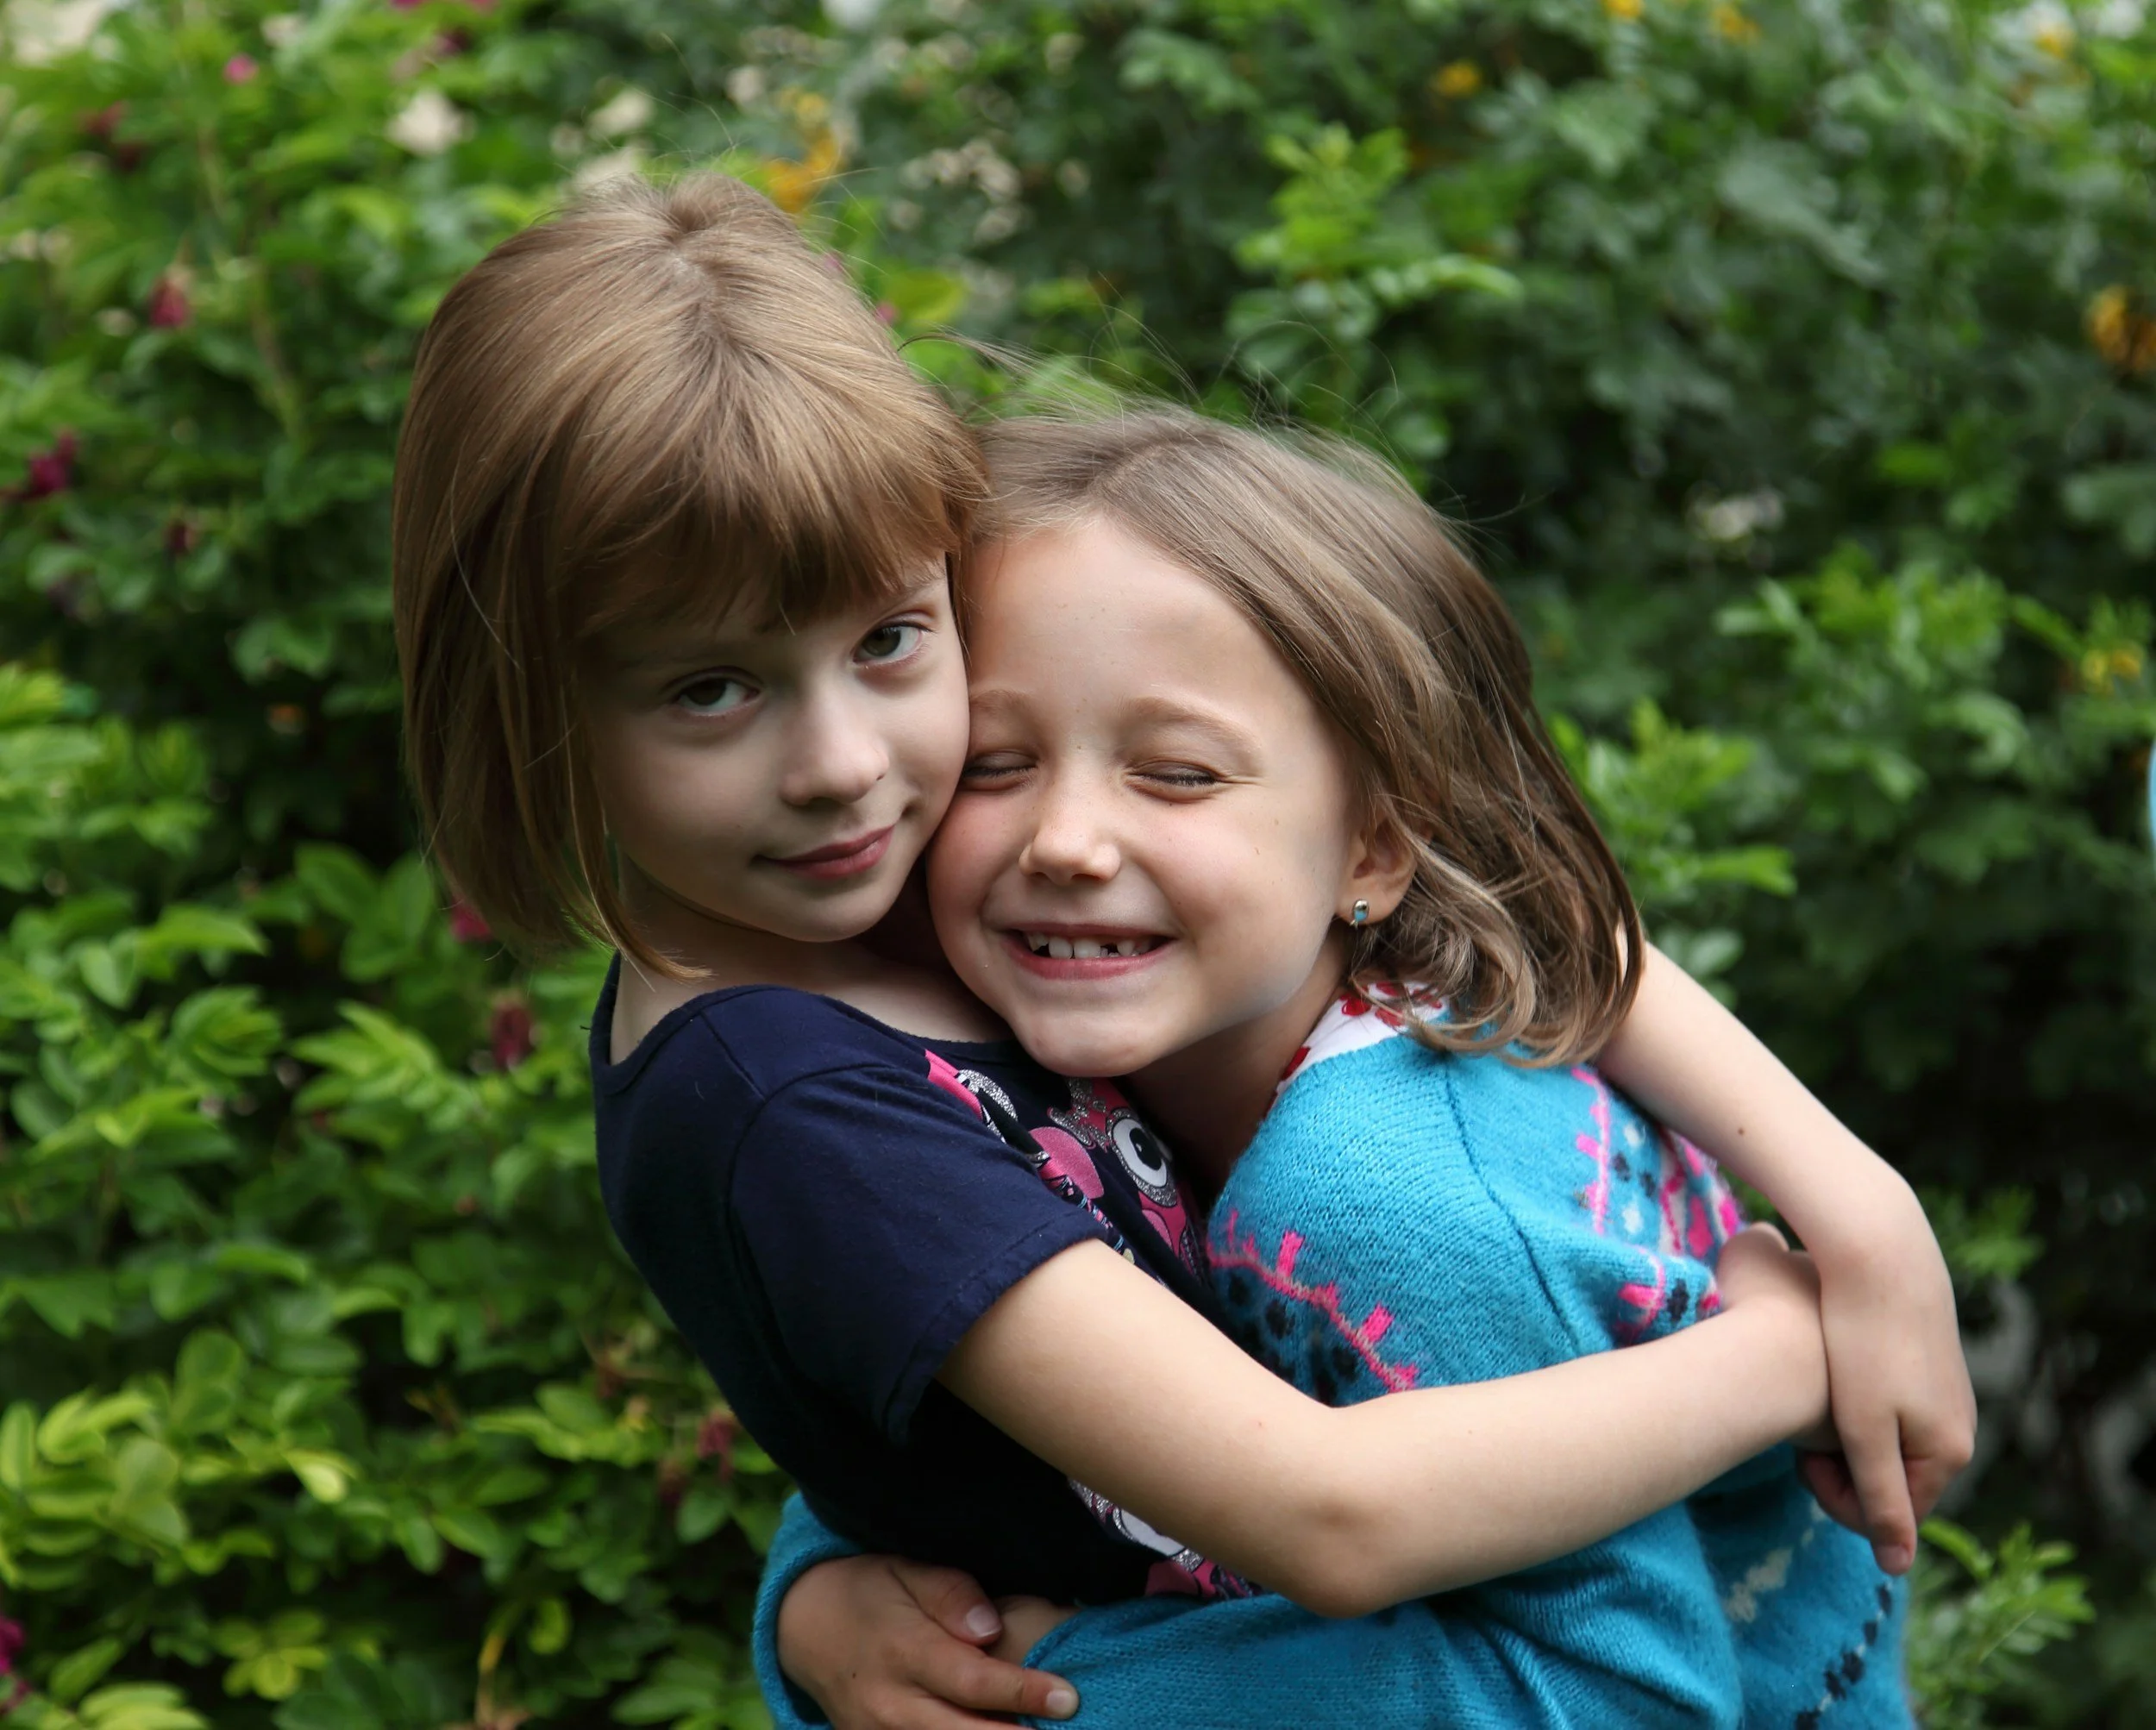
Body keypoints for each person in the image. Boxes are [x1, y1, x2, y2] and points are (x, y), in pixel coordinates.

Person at [386, 174, 1963, 1727]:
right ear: (527, 709)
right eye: (708, 690)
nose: (845, 765)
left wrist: (1847, 1228)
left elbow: (1548, 1641)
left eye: (889, 639)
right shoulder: (836, 1012)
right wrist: (819, 1591)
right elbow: (956, 1375)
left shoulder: (1346, 1153)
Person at [763, 410, 1962, 1728]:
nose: (1067, 840)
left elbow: (1629, 1691)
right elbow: (1041, 1418)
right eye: (995, 763)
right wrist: (825, 1595)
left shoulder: (1389, 1198)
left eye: (1178, 773)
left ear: (1373, 853)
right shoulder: (1074, 1051)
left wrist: (1092, 1685)